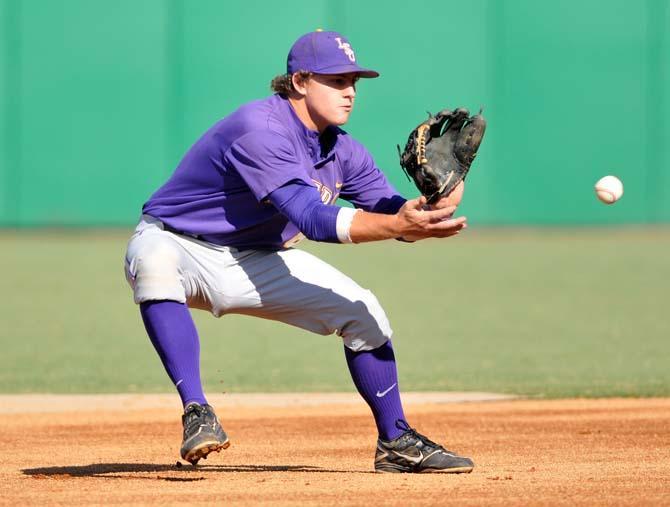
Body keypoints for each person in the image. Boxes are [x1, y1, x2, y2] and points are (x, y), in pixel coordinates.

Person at [124, 29, 473, 473]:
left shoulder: (343, 150)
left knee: (364, 312)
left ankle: (396, 441)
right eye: (336, 80)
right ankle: (197, 410)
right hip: (179, 242)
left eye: (353, 82)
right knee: (154, 262)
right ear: (300, 81)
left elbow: (389, 211)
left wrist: (437, 203)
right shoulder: (260, 128)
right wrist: (398, 225)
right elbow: (312, 218)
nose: (349, 93)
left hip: (257, 257)